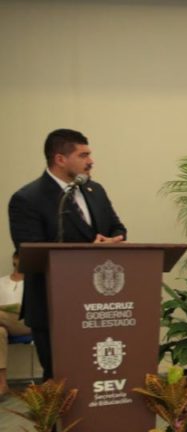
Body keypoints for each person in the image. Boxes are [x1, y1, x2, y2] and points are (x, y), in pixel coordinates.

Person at [8, 129, 126, 380]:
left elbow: (118, 228)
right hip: (53, 305)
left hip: (98, 305)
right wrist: (88, 252)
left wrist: (112, 240)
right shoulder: (27, 199)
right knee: (60, 379)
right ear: (60, 159)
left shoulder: (95, 190)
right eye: (83, 155)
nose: (91, 161)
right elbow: (31, 253)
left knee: (97, 376)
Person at [1, 252, 31, 396]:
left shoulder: (33, 283)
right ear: (13, 259)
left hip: (25, 323)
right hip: (4, 323)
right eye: (18, 257)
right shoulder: (1, 282)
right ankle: (2, 384)